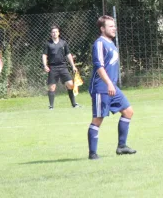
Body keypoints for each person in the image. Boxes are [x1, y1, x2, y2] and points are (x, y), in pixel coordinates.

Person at [88, 15, 136, 160]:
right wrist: (109, 83)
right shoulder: (99, 43)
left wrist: (112, 84)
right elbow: (99, 66)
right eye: (110, 26)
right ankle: (93, 153)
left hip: (112, 87)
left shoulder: (111, 44)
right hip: (101, 87)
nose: (114, 28)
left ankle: (121, 146)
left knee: (128, 111)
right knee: (98, 119)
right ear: (102, 29)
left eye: (114, 26)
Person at [42, 25, 80, 109]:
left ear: (59, 33)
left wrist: (73, 66)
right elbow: (44, 55)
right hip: (53, 68)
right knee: (52, 87)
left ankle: (74, 104)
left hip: (63, 67)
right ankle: (51, 106)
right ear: (51, 34)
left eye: (56, 32)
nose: (54, 33)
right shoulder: (48, 44)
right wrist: (45, 65)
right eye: (53, 32)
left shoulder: (63, 43)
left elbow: (68, 54)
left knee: (70, 84)